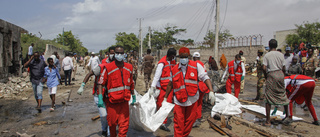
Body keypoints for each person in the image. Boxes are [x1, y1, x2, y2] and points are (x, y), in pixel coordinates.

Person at [163, 47, 215, 137]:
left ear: (189, 56)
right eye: (182, 57)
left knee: (189, 122)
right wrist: (165, 98)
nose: (184, 59)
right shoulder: (174, 69)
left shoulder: (196, 66)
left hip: (192, 99)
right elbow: (170, 84)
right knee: (178, 124)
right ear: (179, 57)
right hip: (179, 100)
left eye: (185, 57)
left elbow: (205, 77)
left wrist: (211, 91)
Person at [98, 45, 135, 137]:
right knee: (112, 125)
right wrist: (100, 98)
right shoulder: (108, 68)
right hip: (112, 104)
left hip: (124, 103)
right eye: (117, 53)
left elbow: (131, 83)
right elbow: (100, 83)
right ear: (114, 54)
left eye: (121, 53)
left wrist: (133, 96)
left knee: (124, 127)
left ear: (124, 54)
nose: (119, 55)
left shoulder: (129, 67)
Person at [77, 47, 115, 137]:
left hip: (110, 95)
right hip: (99, 95)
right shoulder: (101, 67)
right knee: (103, 115)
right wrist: (82, 85)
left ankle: (109, 133)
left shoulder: (116, 68)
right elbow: (90, 74)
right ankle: (104, 129)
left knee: (110, 115)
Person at [262, 39, 289, 126]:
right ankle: (287, 116)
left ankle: (268, 120)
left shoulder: (267, 55)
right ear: (276, 46)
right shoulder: (281, 55)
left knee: (269, 97)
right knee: (282, 94)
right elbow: (284, 67)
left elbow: (264, 67)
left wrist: (266, 76)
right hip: (280, 74)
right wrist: (282, 75)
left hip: (272, 74)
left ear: (269, 46)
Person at [150, 48, 177, 132]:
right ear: (171, 56)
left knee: (166, 105)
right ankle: (159, 120)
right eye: (174, 56)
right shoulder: (162, 63)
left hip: (169, 88)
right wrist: (153, 87)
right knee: (160, 105)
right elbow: (157, 76)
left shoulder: (173, 62)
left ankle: (163, 123)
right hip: (162, 87)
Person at [192, 52, 210, 128]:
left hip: (198, 85)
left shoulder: (194, 64)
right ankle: (198, 117)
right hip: (203, 86)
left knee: (194, 103)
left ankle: (195, 119)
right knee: (199, 103)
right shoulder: (202, 64)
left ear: (193, 58)